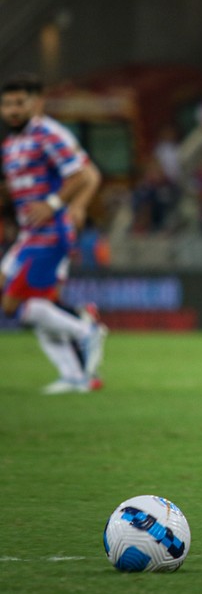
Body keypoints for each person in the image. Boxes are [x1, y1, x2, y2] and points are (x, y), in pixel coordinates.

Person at [1, 73, 107, 394]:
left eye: (20, 102)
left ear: (36, 103)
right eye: (6, 104)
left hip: (49, 232)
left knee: (14, 305)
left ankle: (84, 329)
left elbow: (85, 173)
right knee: (32, 306)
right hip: (28, 234)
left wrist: (59, 203)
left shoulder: (49, 133)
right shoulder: (10, 143)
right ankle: (74, 375)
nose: (12, 110)